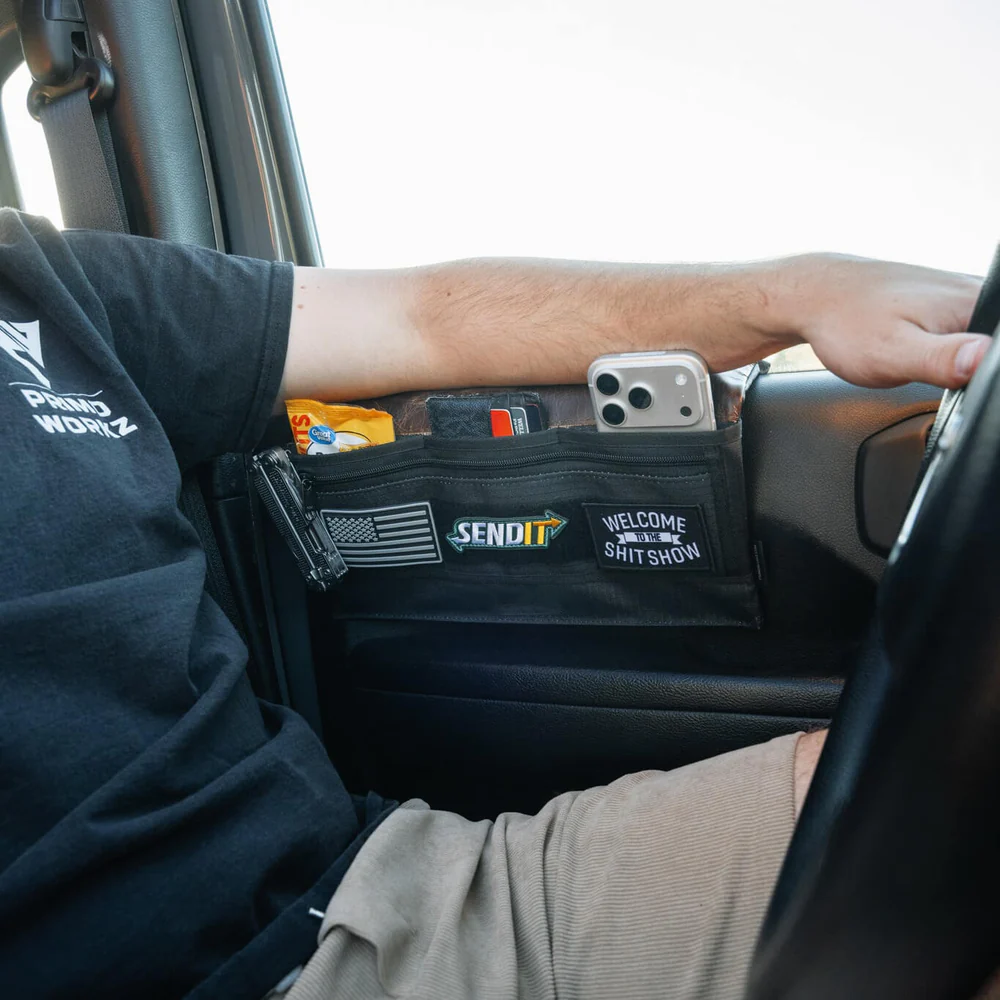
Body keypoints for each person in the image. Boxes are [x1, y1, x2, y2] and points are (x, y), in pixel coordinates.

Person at [0, 209, 984, 1000]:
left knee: (958, 816)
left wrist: (797, 290)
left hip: (391, 888)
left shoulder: (49, 278)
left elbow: (419, 318)